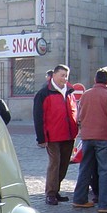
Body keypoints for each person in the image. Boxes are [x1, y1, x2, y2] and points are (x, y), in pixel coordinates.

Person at [72, 68, 107, 213]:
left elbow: (79, 117)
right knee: (105, 170)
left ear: (95, 80)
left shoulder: (85, 95)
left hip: (87, 137)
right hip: (103, 138)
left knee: (85, 169)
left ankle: (79, 198)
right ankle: (104, 204)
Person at [33, 64, 78, 205]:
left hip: (69, 134)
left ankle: (56, 190)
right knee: (55, 163)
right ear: (54, 75)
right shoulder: (43, 93)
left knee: (64, 164)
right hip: (52, 135)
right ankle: (50, 193)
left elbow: (74, 110)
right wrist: (41, 137)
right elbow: (38, 116)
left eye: (66, 76)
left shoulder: (70, 91)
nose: (64, 79)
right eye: (62, 75)